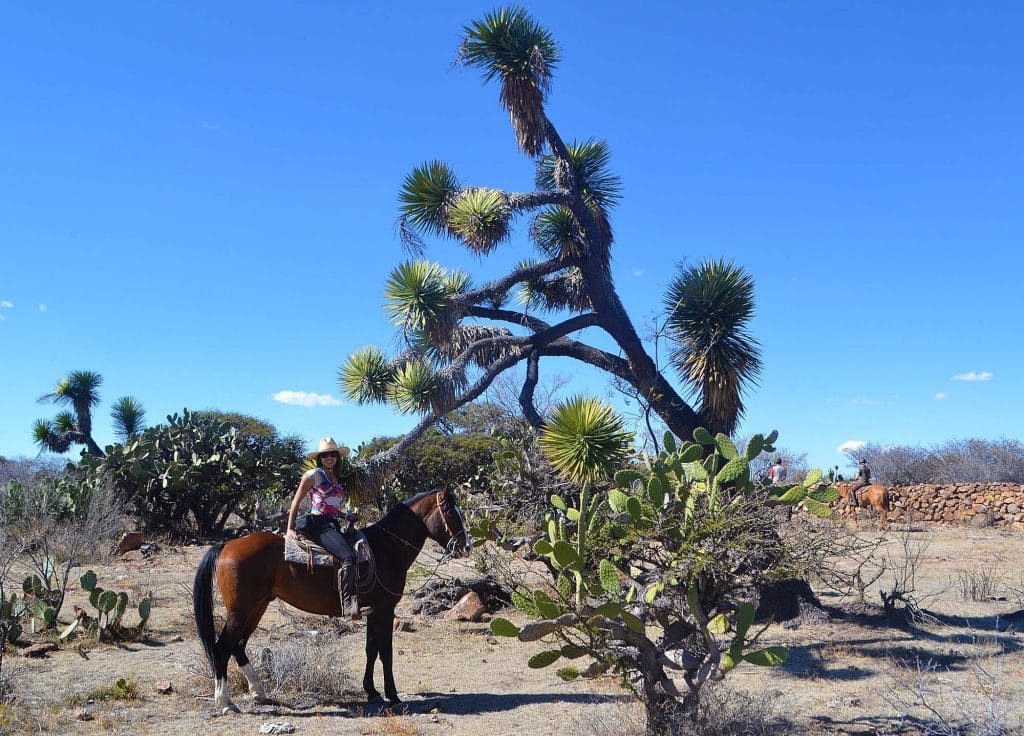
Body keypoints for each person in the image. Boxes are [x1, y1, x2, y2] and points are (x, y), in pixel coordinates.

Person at [286, 436, 363, 620]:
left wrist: (346, 516)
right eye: (325, 455)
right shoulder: (313, 475)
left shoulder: (336, 478)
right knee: (348, 556)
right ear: (319, 458)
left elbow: (332, 509)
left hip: (331, 523)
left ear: (337, 457)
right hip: (318, 525)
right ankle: (346, 604)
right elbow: (296, 502)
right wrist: (290, 528)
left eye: (332, 454)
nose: (329, 458)